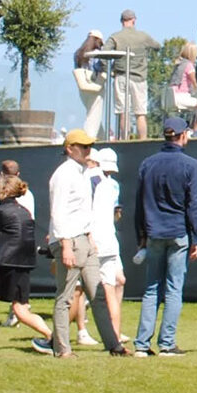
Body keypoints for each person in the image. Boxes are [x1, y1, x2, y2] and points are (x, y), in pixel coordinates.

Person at [32, 129, 130, 357]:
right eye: (83, 146)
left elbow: (83, 212)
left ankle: (113, 345)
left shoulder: (82, 173)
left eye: (89, 147)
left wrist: (90, 238)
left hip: (84, 239)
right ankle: (62, 349)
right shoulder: (63, 174)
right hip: (69, 240)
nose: (88, 150)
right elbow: (58, 212)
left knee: (97, 294)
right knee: (66, 296)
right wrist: (65, 245)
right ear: (69, 148)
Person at [132, 116, 197, 356]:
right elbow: (194, 205)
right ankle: (167, 344)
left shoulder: (147, 163)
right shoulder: (190, 164)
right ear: (183, 135)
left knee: (152, 288)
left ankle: (142, 345)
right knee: (174, 289)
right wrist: (196, 239)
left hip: (153, 233)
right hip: (178, 234)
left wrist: (140, 235)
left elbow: (139, 204)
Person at [0, 174, 53, 357]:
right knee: (20, 309)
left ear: (3, 190)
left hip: (3, 262)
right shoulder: (25, 212)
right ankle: (52, 336)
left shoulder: (1, 211)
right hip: (24, 264)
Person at [90, 147, 129, 349]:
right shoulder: (98, 183)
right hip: (102, 241)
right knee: (99, 288)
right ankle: (83, 332)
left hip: (101, 241)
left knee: (112, 285)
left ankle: (114, 337)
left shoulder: (107, 185)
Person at [105, 10, 162, 140]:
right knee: (140, 112)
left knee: (123, 112)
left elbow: (104, 52)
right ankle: (143, 140)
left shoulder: (115, 37)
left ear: (121, 21)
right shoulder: (143, 36)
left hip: (121, 76)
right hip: (139, 77)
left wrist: (106, 69)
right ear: (134, 20)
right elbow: (157, 46)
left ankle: (125, 139)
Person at [73, 28, 109, 140]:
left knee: (92, 113)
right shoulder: (98, 55)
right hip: (95, 85)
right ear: (97, 40)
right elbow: (102, 68)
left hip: (83, 88)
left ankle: (102, 138)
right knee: (94, 115)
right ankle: (88, 139)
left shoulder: (79, 54)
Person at [165, 43, 197, 133]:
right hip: (181, 96)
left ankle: (188, 128)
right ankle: (195, 131)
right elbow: (195, 82)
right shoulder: (189, 65)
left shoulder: (179, 64)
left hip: (172, 97)